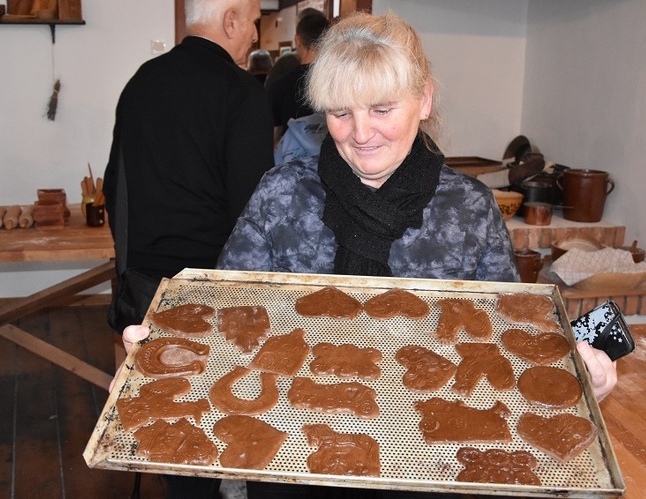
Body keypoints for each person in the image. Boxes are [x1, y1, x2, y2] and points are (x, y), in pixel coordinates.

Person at [113, 10, 617, 499]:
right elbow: (226, 314)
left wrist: (577, 371)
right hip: (294, 453)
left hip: (426, 457)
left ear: (423, 100)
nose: (359, 133)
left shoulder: (467, 208)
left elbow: (510, 340)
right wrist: (167, 348)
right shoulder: (283, 194)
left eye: (381, 109)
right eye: (340, 112)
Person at [102, 0, 274, 497]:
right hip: (214, 291)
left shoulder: (142, 81)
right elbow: (254, 210)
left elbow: (119, 184)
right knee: (217, 414)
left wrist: (131, 264)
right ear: (232, 20)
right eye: (255, 24)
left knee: (169, 420)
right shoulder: (242, 93)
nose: (255, 38)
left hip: (148, 288)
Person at [267, 9, 330, 146]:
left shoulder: (280, 85)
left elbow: (272, 137)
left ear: (297, 40)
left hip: (292, 162)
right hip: (332, 161)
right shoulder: (337, 82)